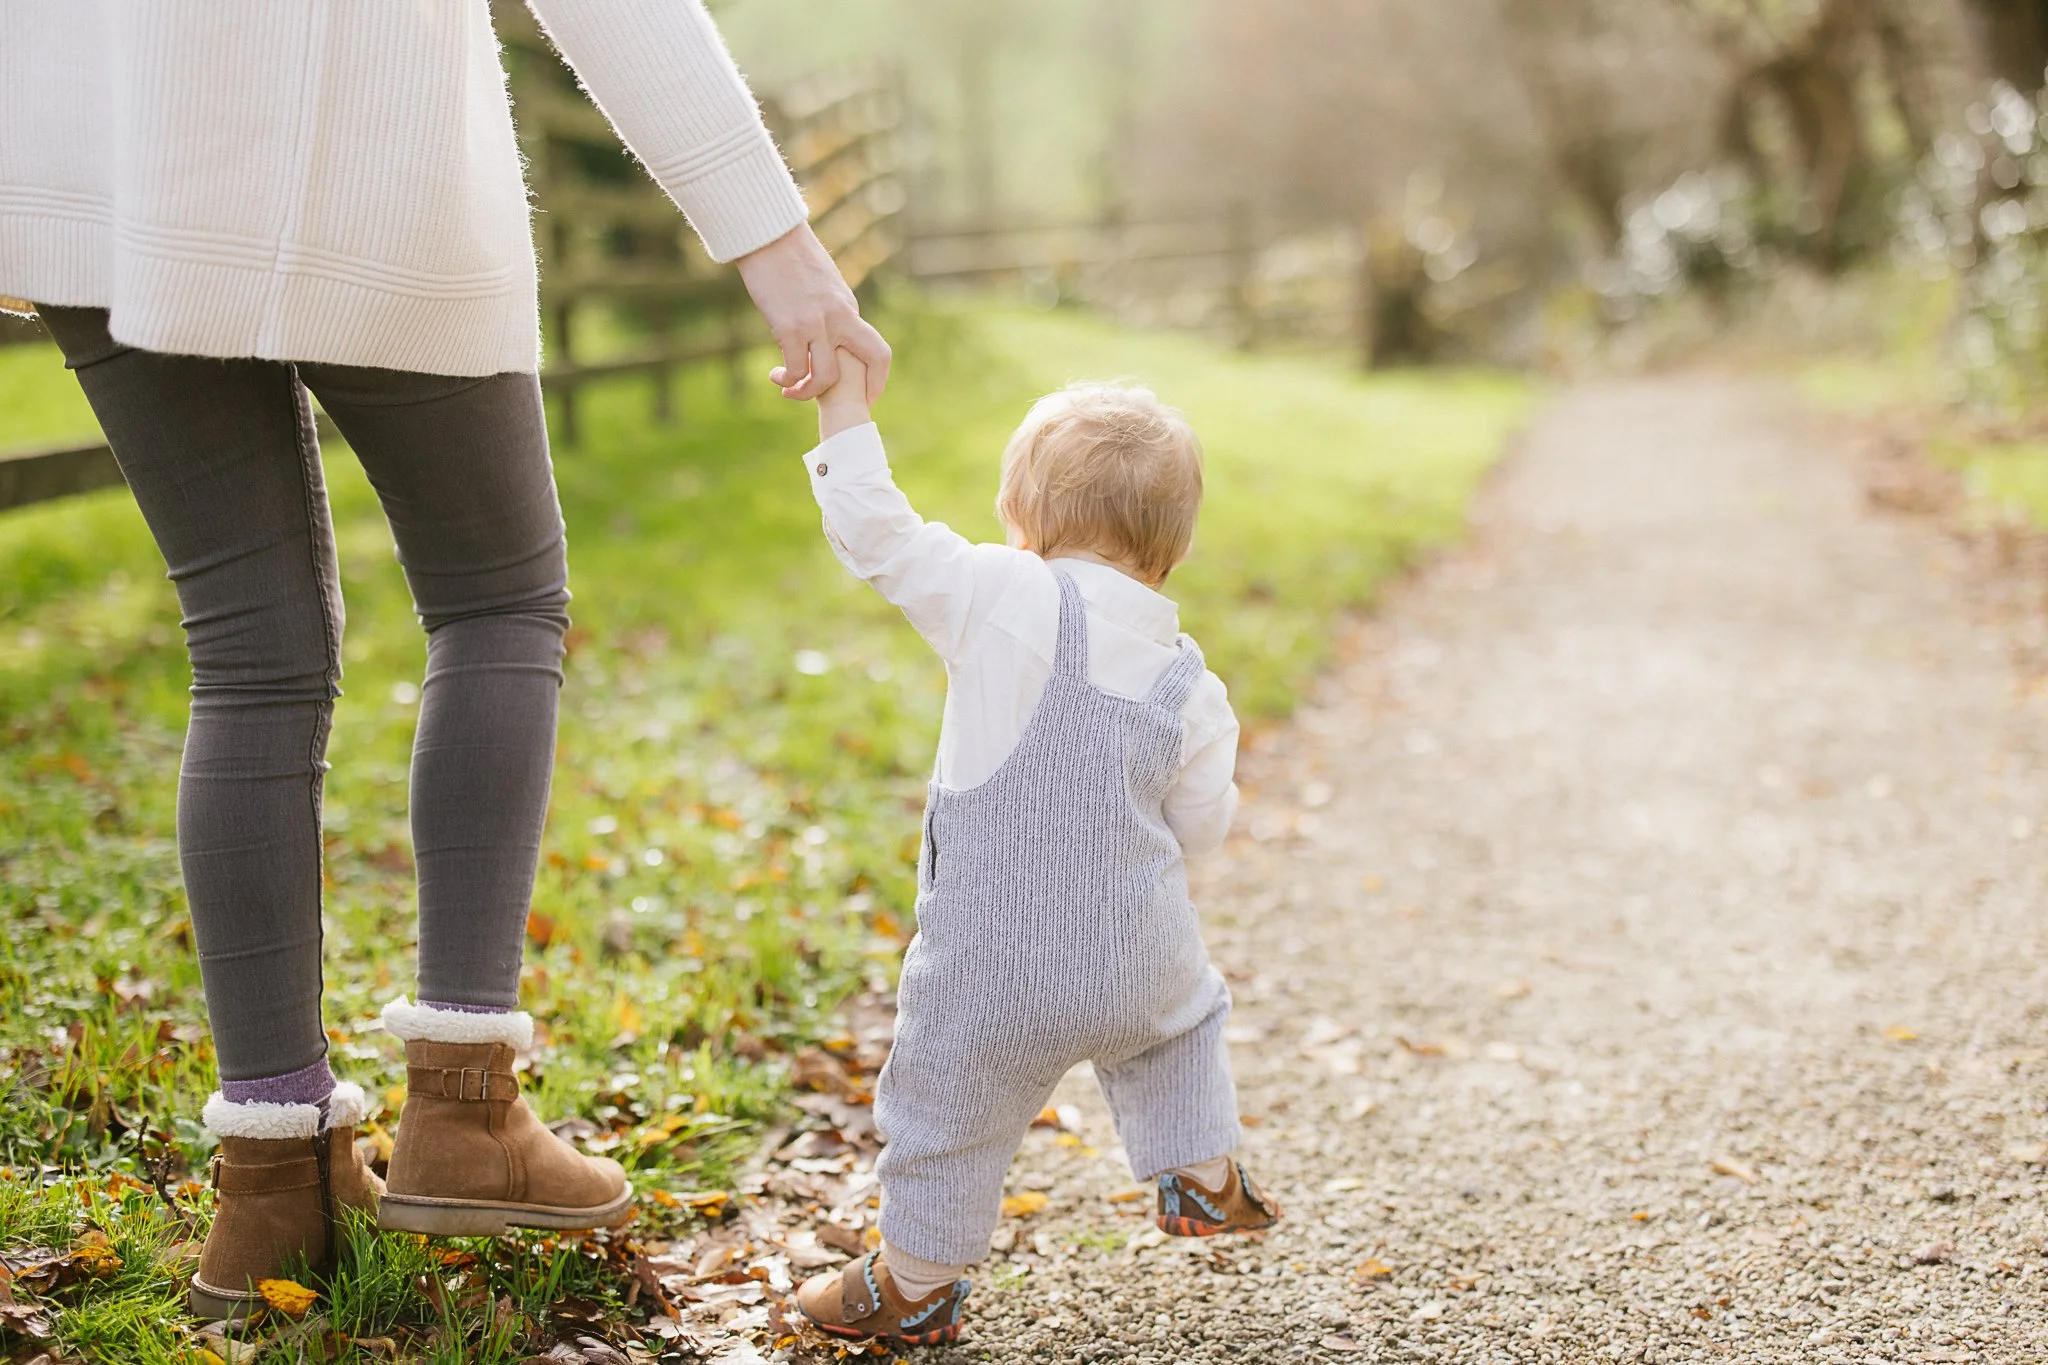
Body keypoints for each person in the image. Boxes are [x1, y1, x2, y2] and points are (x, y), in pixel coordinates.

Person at [0, 0, 887, 1321]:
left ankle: (269, 1189)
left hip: (97, 156)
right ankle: (464, 1114)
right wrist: (782, 245)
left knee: (247, 657)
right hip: (368, 147)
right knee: (495, 602)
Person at [787, 354, 1281, 1345]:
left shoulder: (1000, 594)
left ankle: (915, 1286)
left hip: (991, 972)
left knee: (946, 1114)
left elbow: (878, 535)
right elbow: (1203, 828)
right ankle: (1199, 1169)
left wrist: (842, 407)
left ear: (1024, 522)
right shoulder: (1191, 680)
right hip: (1138, 960)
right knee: (1182, 1024)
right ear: (1171, 551)